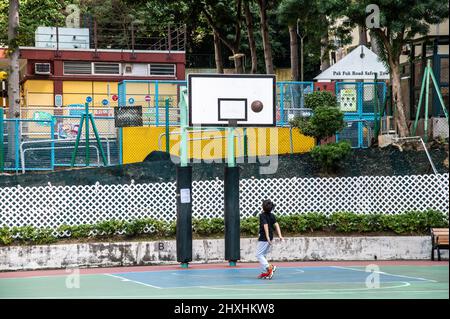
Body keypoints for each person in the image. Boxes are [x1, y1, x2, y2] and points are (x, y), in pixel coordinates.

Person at [256, 199, 283, 279]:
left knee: (259, 254)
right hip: (270, 237)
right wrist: (280, 235)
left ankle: (269, 267)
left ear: (263, 207)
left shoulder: (262, 215)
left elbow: (265, 225)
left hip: (264, 237)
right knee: (263, 255)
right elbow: (277, 225)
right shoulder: (272, 215)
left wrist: (267, 237)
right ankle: (266, 272)